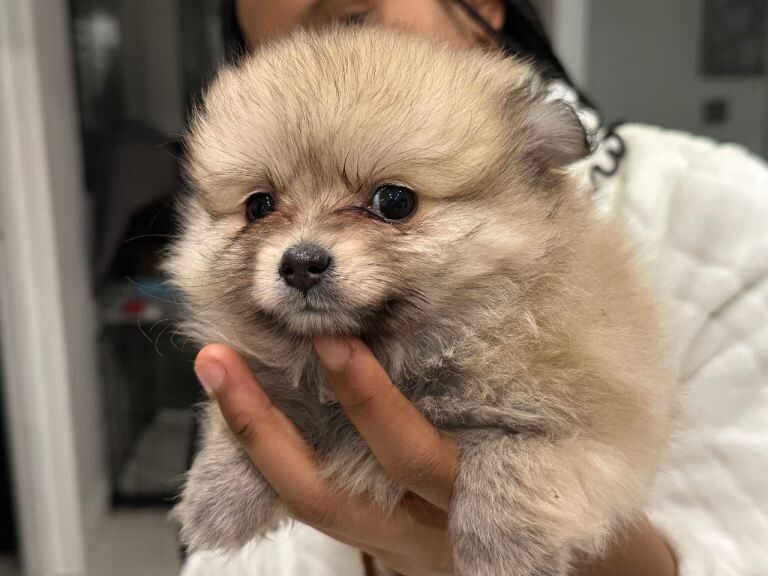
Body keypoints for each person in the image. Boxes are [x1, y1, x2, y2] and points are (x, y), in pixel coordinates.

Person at [184, 2, 768, 575]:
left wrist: (525, 496)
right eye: (261, 206)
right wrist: (245, 443)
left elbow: (638, 462)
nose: (301, 253)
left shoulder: (726, 215)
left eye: (393, 203)